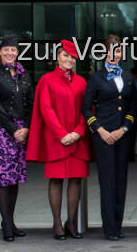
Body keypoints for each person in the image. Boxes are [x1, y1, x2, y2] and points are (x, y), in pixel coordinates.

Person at [26, 39, 90, 241]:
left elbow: (86, 109)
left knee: (76, 180)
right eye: (65, 55)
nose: (69, 59)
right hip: (56, 139)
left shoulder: (81, 81)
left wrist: (78, 132)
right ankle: (56, 223)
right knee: (56, 180)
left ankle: (71, 222)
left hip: (77, 138)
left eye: (72, 57)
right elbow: (46, 109)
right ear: (57, 57)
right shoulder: (47, 80)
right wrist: (62, 134)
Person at [84, 38, 137, 241]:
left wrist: (124, 129)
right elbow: (86, 108)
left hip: (122, 135)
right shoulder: (96, 78)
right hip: (103, 136)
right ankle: (109, 228)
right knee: (107, 181)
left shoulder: (128, 77)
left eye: (117, 51)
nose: (114, 55)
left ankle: (119, 224)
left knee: (121, 179)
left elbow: (132, 107)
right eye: (109, 51)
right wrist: (100, 130)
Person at [0, 34, 33, 241]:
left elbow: (31, 103)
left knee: (14, 180)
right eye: (6, 50)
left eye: (13, 50)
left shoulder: (24, 74)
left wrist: (27, 128)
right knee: (3, 180)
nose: (10, 53)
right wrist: (13, 129)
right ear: (0, 52)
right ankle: (5, 224)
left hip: (22, 131)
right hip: (1, 131)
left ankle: (11, 222)